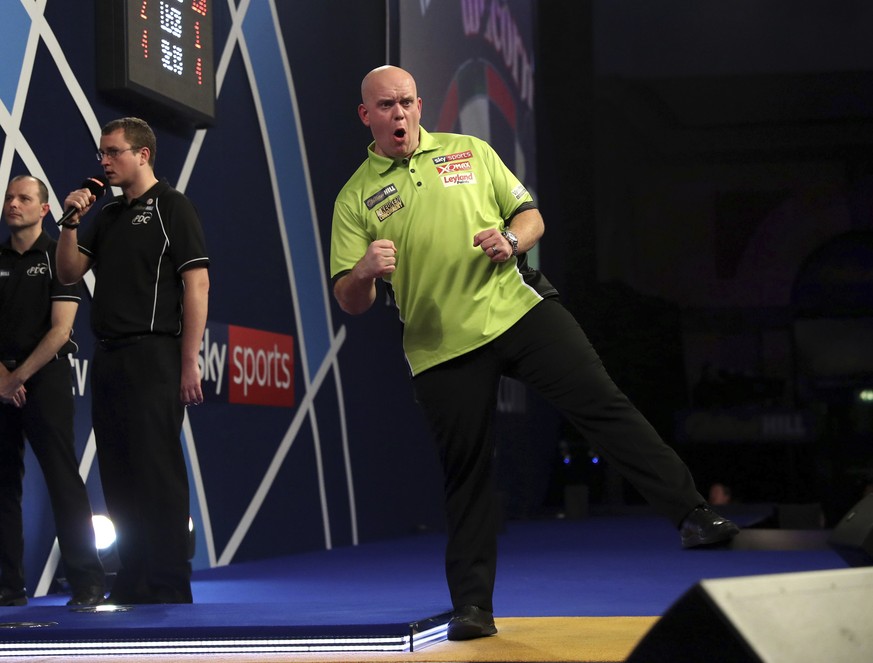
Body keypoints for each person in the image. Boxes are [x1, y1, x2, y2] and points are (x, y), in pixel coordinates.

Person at [330, 66, 739, 641]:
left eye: (405, 103)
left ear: (420, 105)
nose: (398, 114)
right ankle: (473, 608)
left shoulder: (470, 151)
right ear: (365, 115)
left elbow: (531, 216)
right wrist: (367, 271)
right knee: (466, 475)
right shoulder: (354, 196)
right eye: (385, 106)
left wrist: (511, 241)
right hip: (440, 346)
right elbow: (350, 299)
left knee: (603, 403)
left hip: (518, 311)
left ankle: (692, 514)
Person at [56, 117, 210, 604]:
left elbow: (197, 285)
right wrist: (71, 220)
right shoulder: (104, 215)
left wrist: (189, 361)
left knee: (156, 470)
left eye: (113, 152)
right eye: (102, 152)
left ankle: (168, 581)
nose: (103, 161)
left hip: (156, 353)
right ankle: (135, 575)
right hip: (110, 357)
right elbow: (67, 272)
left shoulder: (172, 206)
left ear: (143, 154)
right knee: (118, 471)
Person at [0, 175, 105, 607]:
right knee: (3, 485)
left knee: (64, 480)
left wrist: (18, 377)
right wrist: (2, 379)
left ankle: (87, 583)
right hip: (2, 383)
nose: (13, 204)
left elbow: (61, 331)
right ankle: (8, 586)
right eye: (9, 197)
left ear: (44, 210)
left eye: (24, 198)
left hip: (44, 380)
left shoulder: (57, 254)